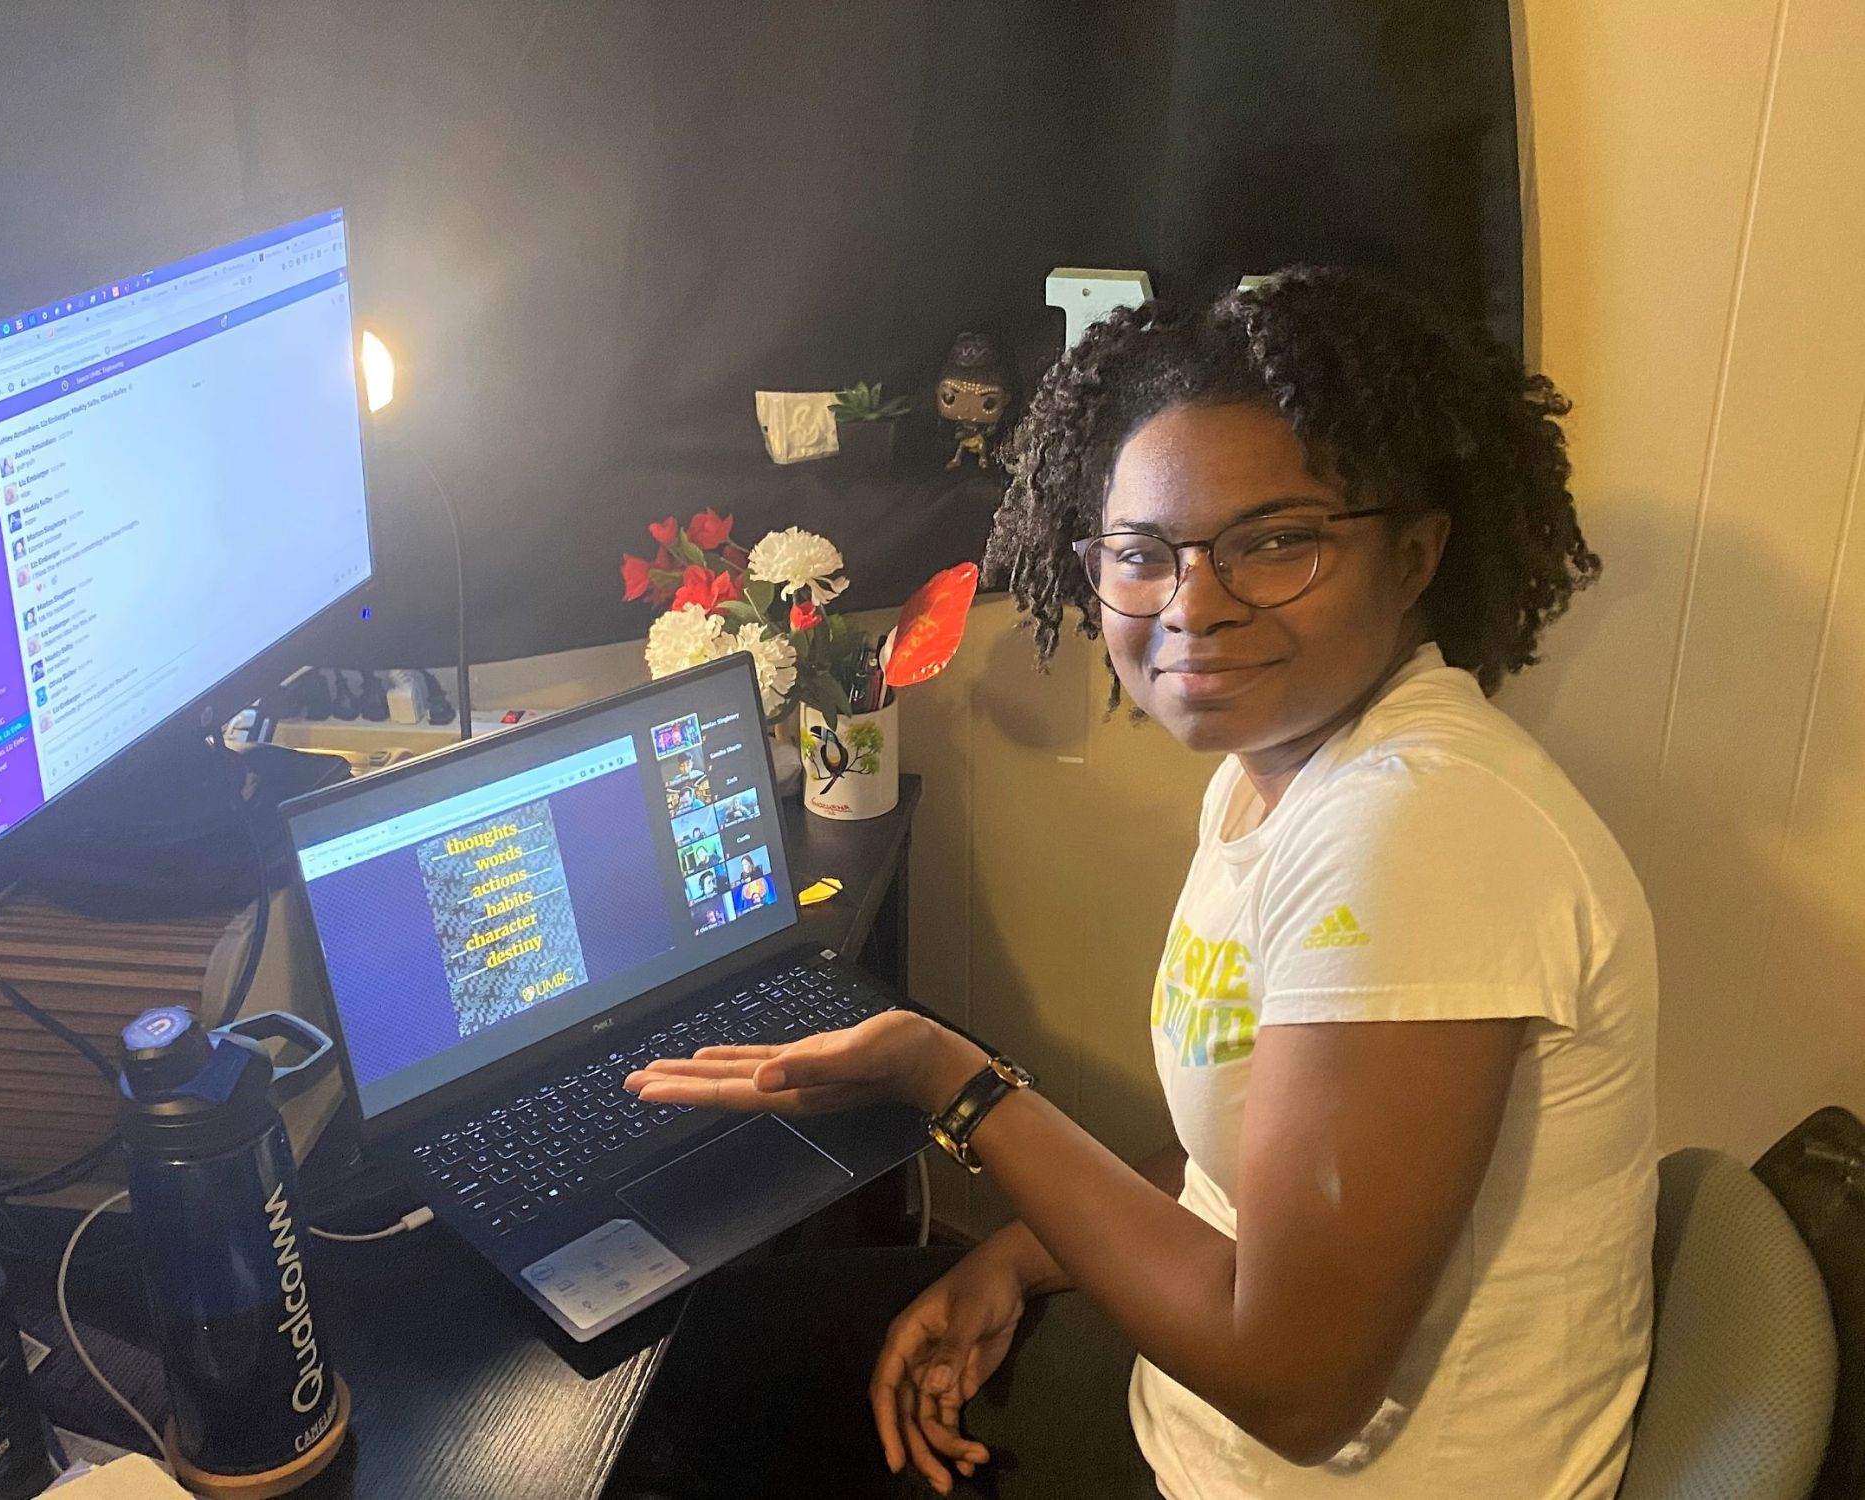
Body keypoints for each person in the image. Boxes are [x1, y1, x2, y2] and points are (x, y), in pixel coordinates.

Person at [621, 269, 1656, 1500]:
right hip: (1182, 1411)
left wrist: (947, 1080)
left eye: (1276, 542)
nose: (1194, 606)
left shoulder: (1417, 826)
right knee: (735, 1355)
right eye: (1142, 553)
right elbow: (1246, 1166)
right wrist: (1019, 1254)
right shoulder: (1278, 773)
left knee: (687, 1421)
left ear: (1417, 551)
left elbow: (1295, 1387)